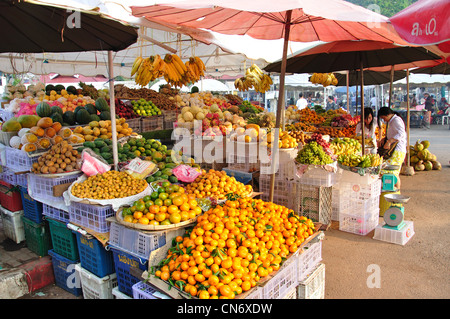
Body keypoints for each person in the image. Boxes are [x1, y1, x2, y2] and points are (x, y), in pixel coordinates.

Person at [377, 107, 407, 189]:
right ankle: (395, 190)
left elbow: (401, 134)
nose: (384, 120)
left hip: (398, 151)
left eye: (384, 118)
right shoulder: (392, 121)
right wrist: (385, 138)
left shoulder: (396, 120)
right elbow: (393, 133)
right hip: (396, 150)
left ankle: (396, 191)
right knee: (392, 173)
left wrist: (389, 141)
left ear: (388, 114)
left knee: (392, 172)